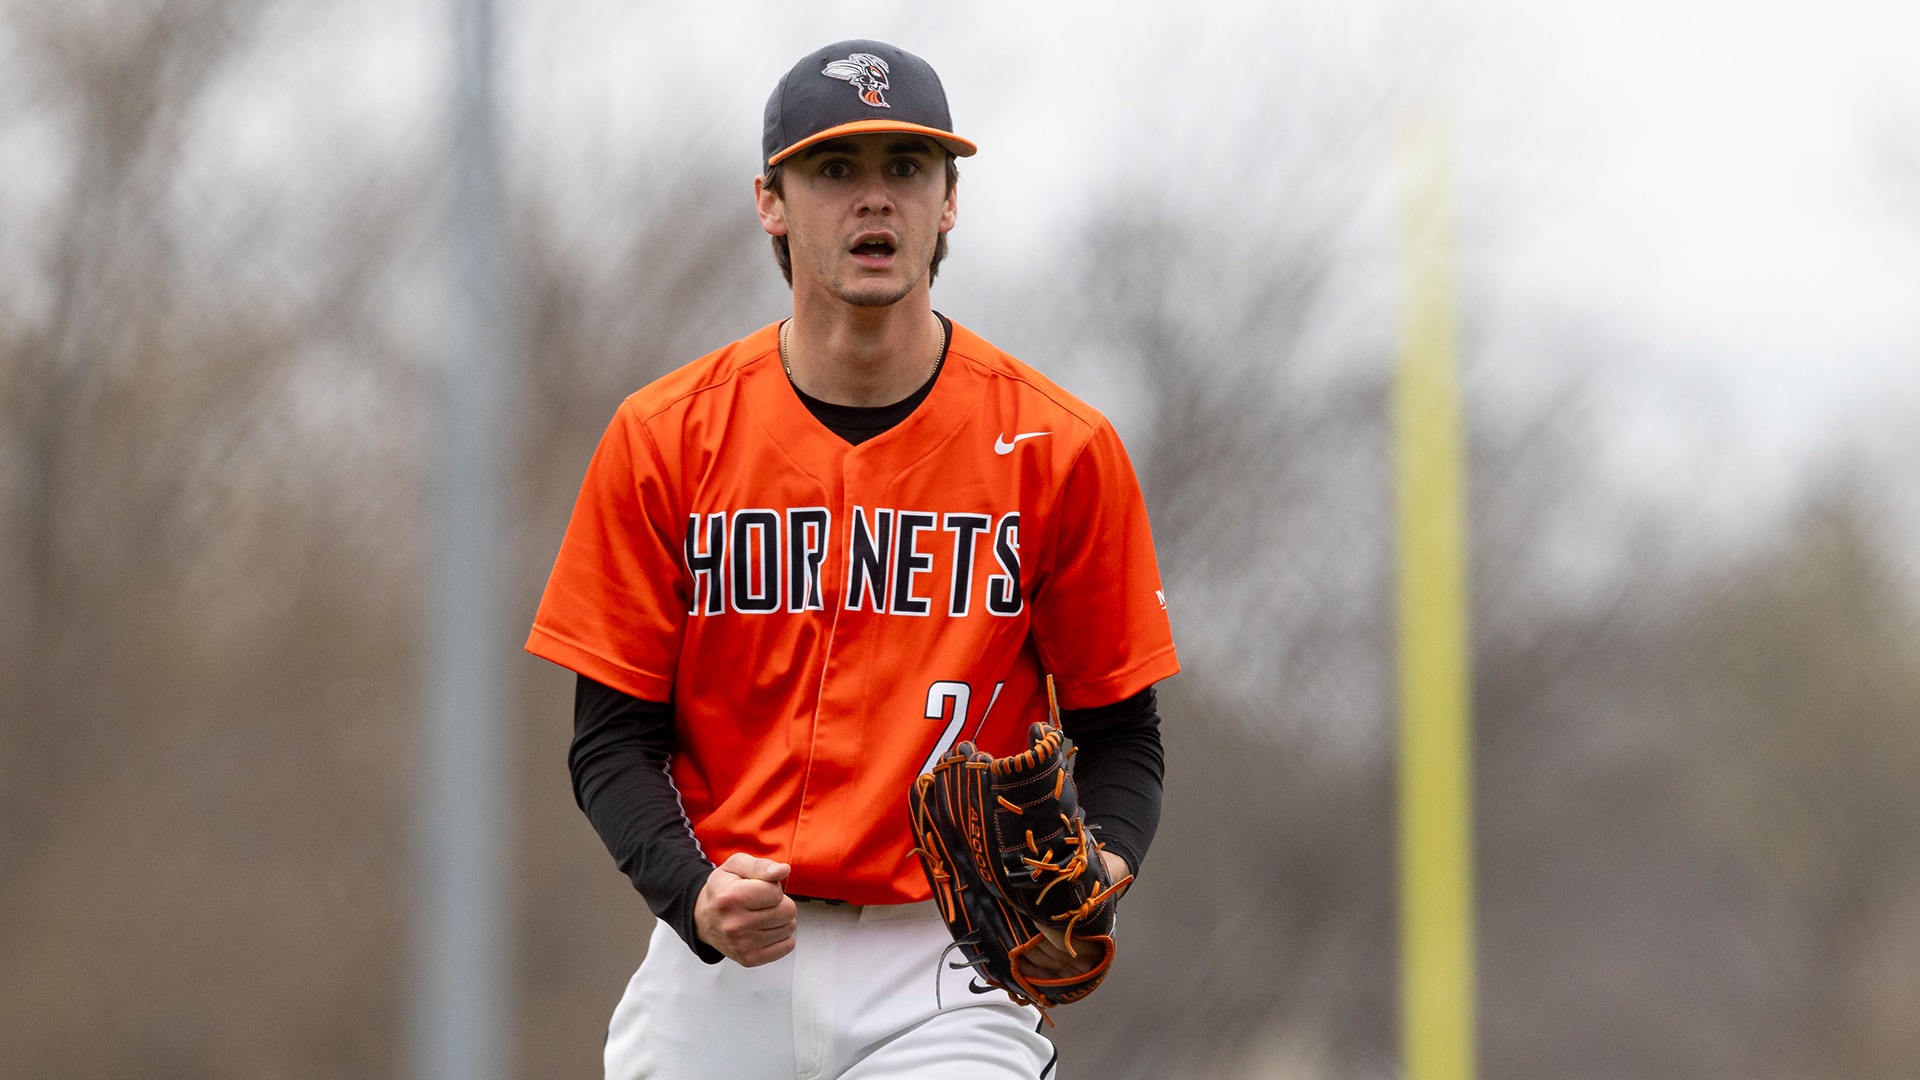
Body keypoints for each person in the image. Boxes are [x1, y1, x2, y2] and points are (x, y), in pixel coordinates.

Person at [526, 38, 1179, 1080]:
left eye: (907, 169)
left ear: (949, 201)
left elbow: (1121, 732)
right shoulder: (666, 438)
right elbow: (611, 743)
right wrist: (691, 892)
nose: (874, 200)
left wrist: (1100, 866)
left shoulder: (1057, 449)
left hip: (946, 961)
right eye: (835, 170)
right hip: (723, 960)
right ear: (770, 201)